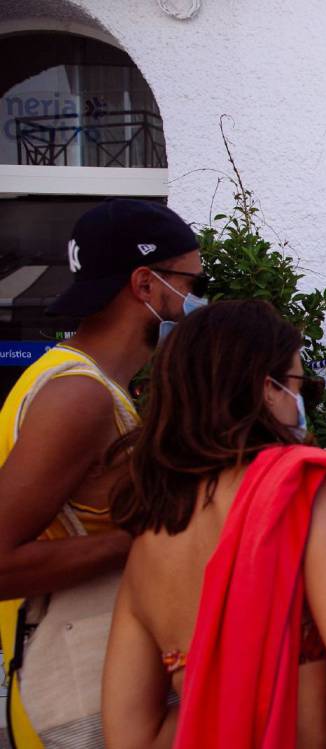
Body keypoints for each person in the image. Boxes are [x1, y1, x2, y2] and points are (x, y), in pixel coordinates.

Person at [101, 299, 326, 748]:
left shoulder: (151, 534)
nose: (302, 401)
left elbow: (130, 736)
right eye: (301, 385)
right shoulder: (304, 488)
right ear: (267, 389)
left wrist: (224, 700)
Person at [0, 199, 204, 748]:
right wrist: (143, 540)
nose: (192, 303)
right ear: (145, 283)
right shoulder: (78, 397)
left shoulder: (93, 388)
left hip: (96, 691)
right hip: (71, 701)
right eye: (190, 282)